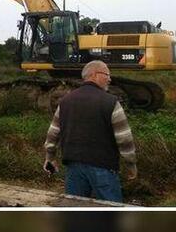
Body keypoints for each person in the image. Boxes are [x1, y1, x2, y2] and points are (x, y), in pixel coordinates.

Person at [43, 60, 137, 202]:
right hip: (104, 168)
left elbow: (53, 134)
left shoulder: (65, 101)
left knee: (75, 210)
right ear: (94, 75)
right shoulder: (111, 102)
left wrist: (50, 158)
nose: (110, 79)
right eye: (107, 74)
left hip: (74, 168)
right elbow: (124, 138)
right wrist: (131, 163)